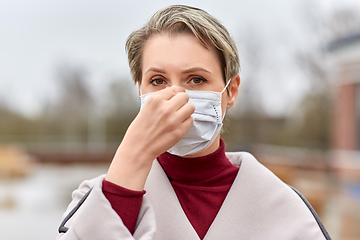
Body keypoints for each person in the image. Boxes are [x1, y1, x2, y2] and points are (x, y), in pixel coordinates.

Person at [56, 5, 332, 240]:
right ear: (139, 90)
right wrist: (133, 153)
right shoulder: (99, 199)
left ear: (231, 91)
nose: (176, 96)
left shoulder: (286, 210)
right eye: (158, 81)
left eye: (196, 79)